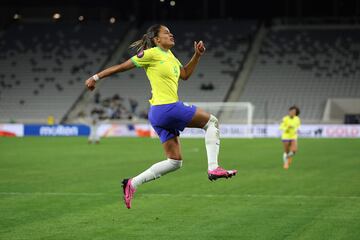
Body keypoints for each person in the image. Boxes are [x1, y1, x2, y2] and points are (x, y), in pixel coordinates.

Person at [85, 24, 237, 209]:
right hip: (166, 108)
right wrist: (96, 77)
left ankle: (132, 183)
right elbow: (122, 67)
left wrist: (197, 55)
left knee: (174, 162)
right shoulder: (151, 53)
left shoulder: (171, 56)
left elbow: (185, 74)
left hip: (159, 114)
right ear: (157, 39)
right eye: (166, 33)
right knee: (211, 122)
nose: (171, 34)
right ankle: (213, 167)